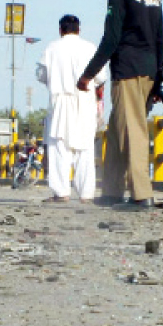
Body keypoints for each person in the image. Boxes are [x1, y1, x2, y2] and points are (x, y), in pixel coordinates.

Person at [76, 0, 163, 209]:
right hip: (149, 71)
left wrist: (88, 75)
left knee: (133, 132)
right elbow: (162, 38)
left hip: (127, 71)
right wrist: (159, 78)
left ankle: (142, 195)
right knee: (116, 132)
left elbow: (111, 38)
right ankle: (112, 192)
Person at [37, 14, 107, 203]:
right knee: (84, 148)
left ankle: (61, 192)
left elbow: (42, 75)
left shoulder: (52, 48)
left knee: (60, 146)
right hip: (85, 100)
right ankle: (86, 194)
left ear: (60, 30)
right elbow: (101, 77)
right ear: (79, 29)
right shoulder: (90, 47)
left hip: (60, 100)